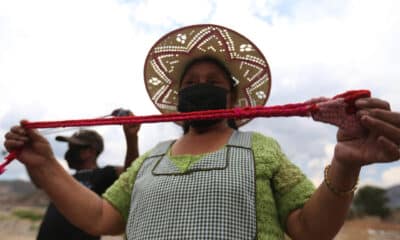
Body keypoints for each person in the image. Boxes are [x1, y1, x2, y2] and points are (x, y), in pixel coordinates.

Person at [3, 24, 400, 240]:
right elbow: (102, 218)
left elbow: (309, 230)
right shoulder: (152, 157)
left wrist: (344, 164)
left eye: (211, 80)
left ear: (232, 96)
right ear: (178, 97)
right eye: (190, 82)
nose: (200, 86)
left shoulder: (260, 148)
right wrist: (46, 166)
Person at [29, 110, 141, 240]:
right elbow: (39, 182)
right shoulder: (68, 178)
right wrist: (29, 159)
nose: (68, 153)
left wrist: (131, 138)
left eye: (73, 148)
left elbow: (130, 175)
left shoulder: (104, 174)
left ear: (89, 151)